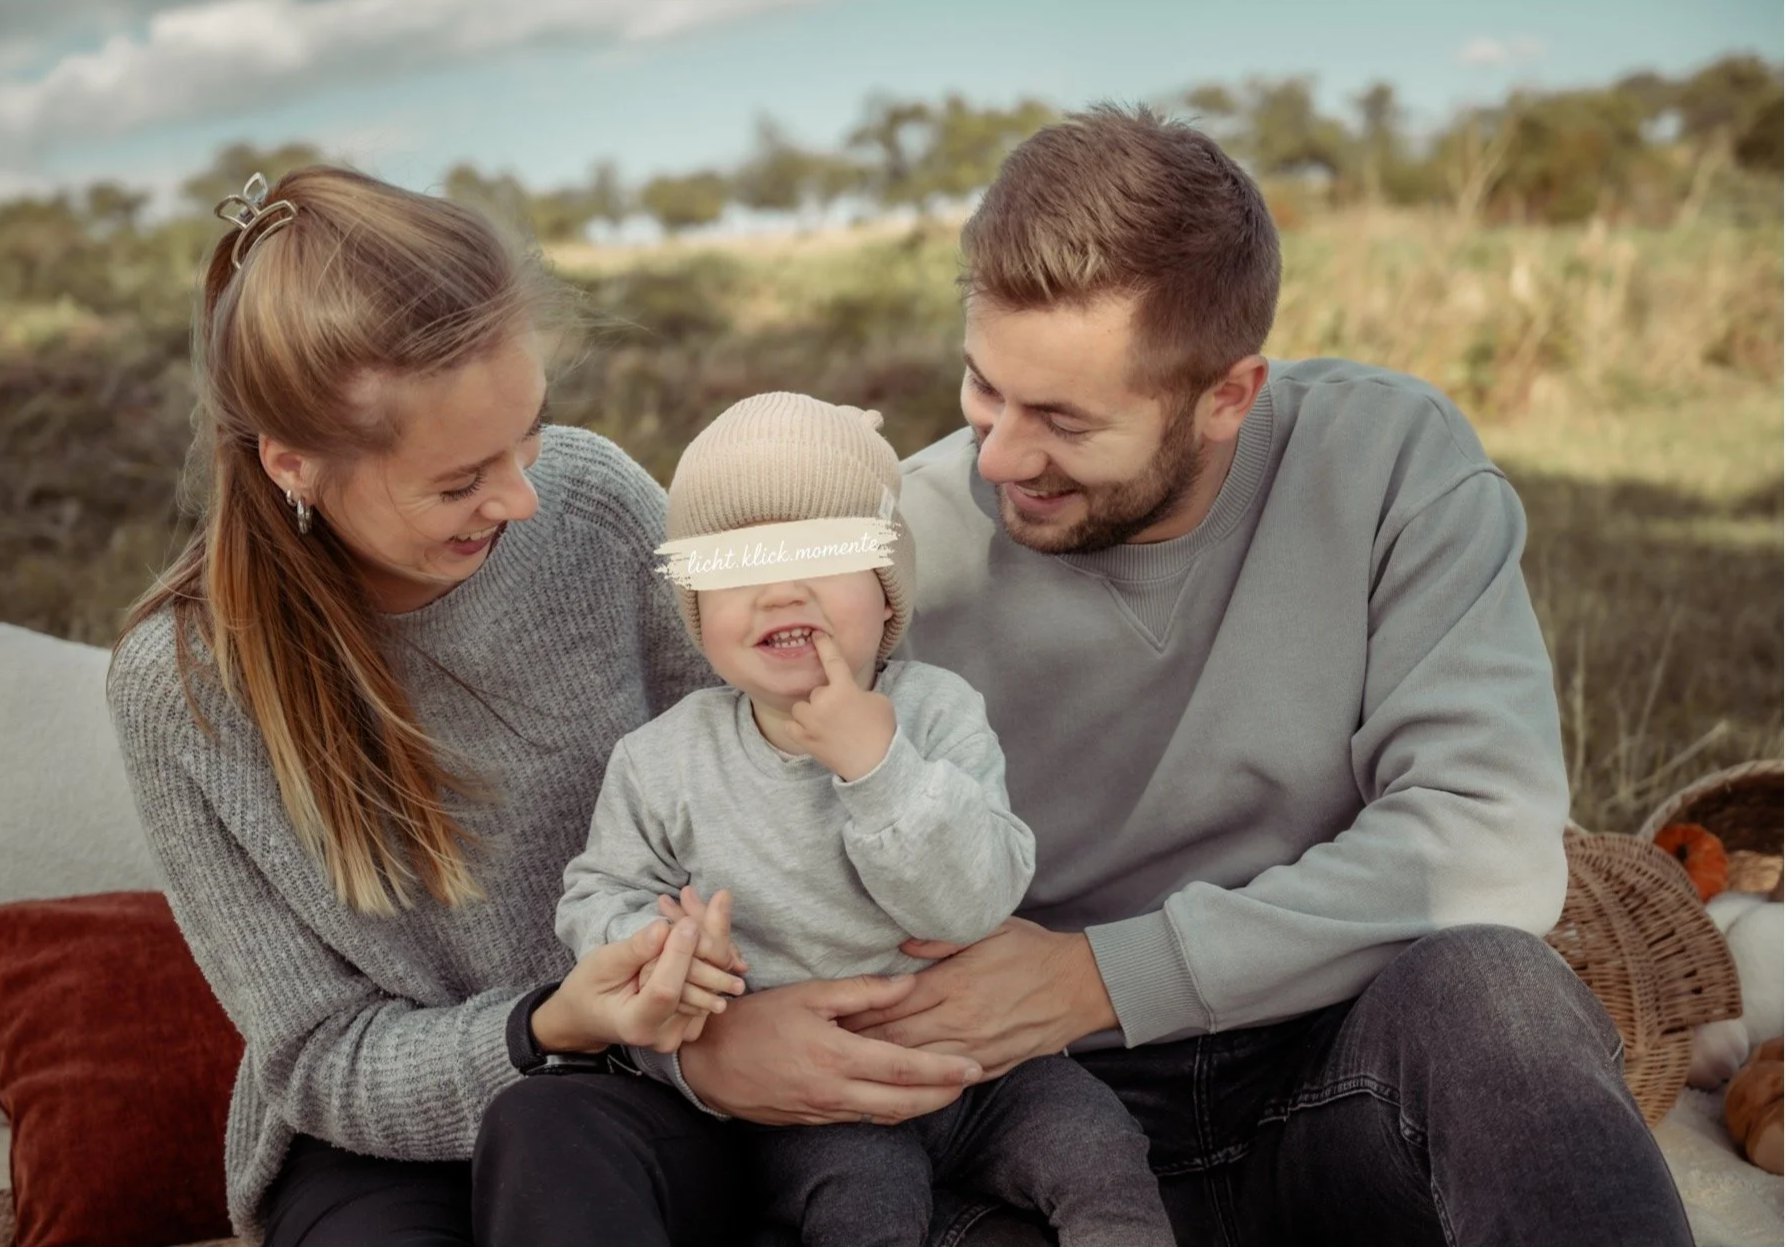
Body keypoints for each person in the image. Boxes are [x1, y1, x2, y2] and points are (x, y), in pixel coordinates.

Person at [669, 108, 1695, 1246]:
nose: (998, 456)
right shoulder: (891, 545)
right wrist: (718, 1046)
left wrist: (1102, 975)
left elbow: (1488, 841)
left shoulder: (1388, 463)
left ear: (1227, 396)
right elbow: (721, 808)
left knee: (1496, 994)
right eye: (981, 389)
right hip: (1017, 1114)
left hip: (1327, 1063)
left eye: (1060, 417)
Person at [105, 167, 984, 1247]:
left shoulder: (590, 502)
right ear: (295, 465)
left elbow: (793, 766)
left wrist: (716, 1031)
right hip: (382, 1143)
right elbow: (317, 1059)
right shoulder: (184, 687)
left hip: (648, 1094)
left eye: (528, 432)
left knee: (567, 1142)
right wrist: (556, 1021)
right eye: (459, 479)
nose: (523, 495)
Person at [552, 392, 1178, 1247]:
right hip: (818, 1097)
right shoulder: (663, 760)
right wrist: (661, 950)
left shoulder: (937, 715)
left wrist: (876, 769)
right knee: (859, 1202)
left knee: (1097, 1148)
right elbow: (599, 894)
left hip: (984, 1067)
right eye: (738, 569)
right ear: (699, 611)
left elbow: (971, 903)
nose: (780, 590)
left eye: (824, 554)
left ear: (887, 594)